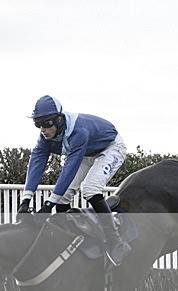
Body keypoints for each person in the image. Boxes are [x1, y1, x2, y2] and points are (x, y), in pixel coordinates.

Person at [21, 95, 131, 265]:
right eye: (38, 124)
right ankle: (68, 239)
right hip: (88, 152)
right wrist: (25, 200)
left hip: (111, 147)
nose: (43, 129)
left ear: (59, 120)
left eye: (47, 123)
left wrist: (48, 205)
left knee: (90, 189)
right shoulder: (44, 138)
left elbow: (69, 169)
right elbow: (37, 163)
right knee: (63, 196)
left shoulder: (78, 131)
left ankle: (116, 241)